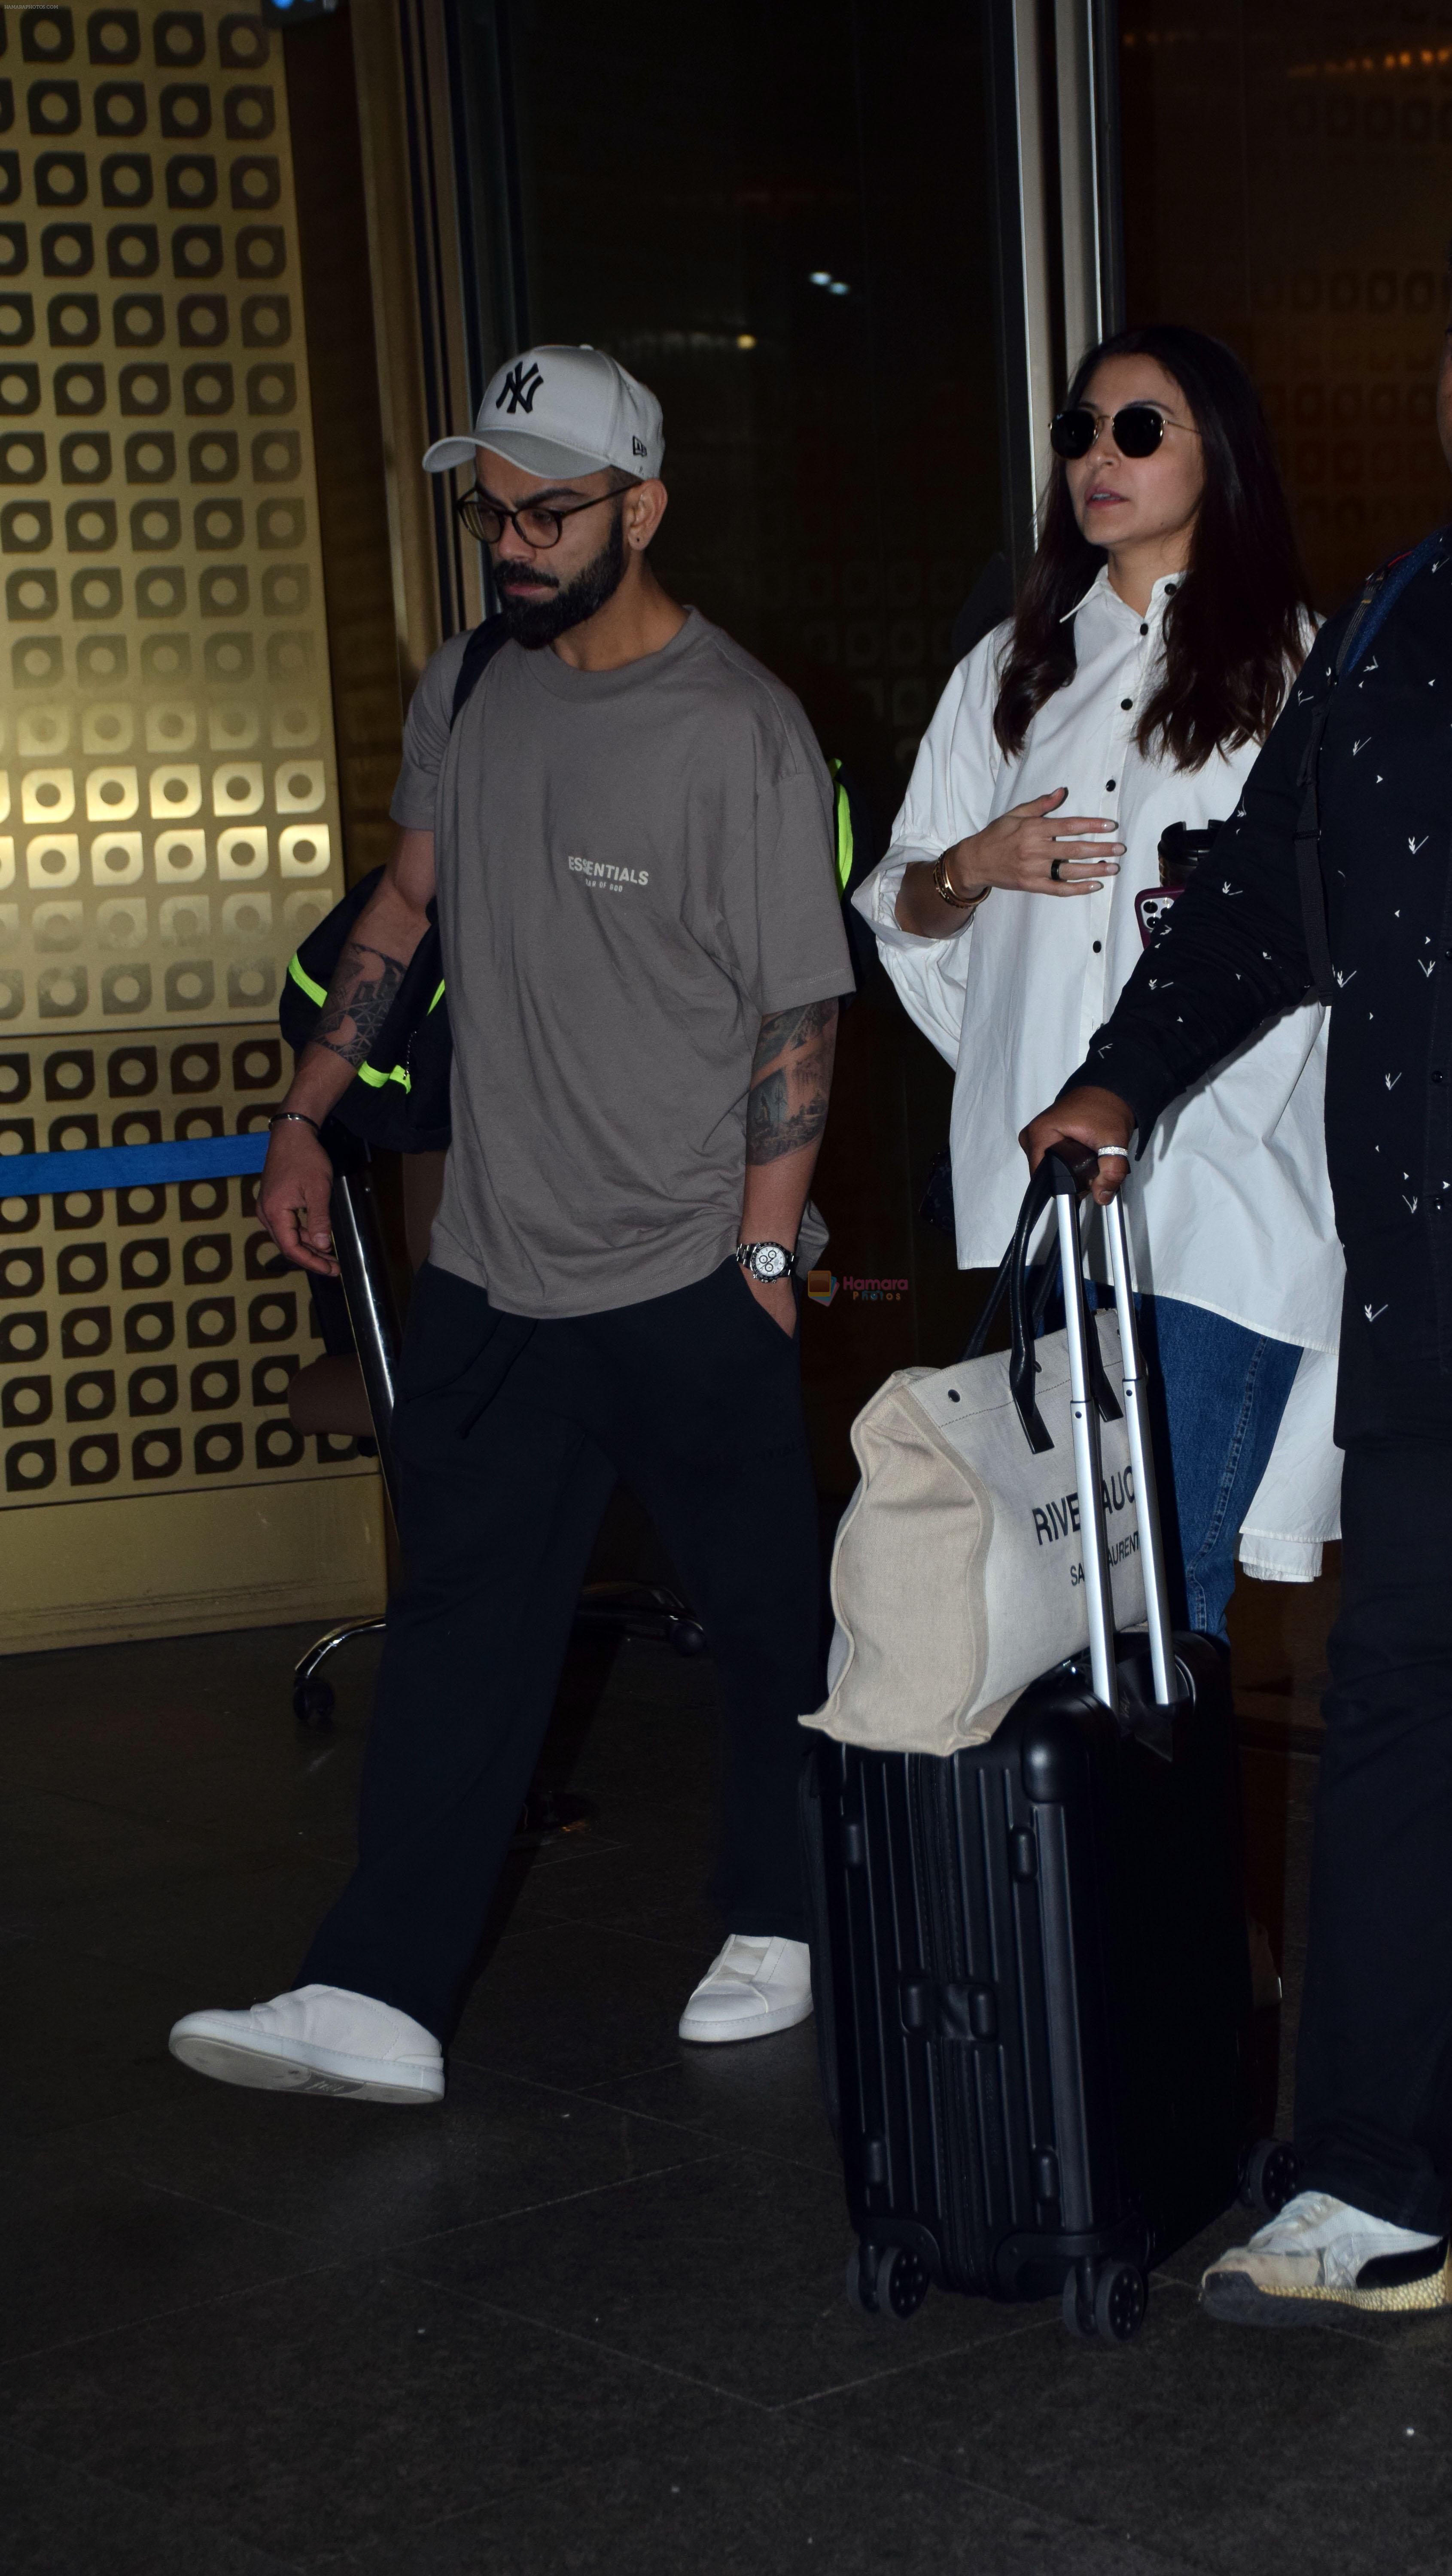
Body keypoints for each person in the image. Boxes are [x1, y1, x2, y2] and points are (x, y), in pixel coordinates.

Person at [1024, 167, 1452, 2322]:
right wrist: (1123, 1075)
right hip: (1444, 1285)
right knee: (1414, 1708)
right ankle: (1367, 2190)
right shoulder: (1405, 619)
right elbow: (1256, 891)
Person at [168, 344, 854, 2102]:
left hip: (690, 1264)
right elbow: (408, 903)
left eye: (551, 511)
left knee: (772, 1619)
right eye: (497, 513)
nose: (517, 544)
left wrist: (765, 1259)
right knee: (468, 1632)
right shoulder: (470, 684)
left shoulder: (739, 730)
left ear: (643, 506)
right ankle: (378, 1996)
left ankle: (785, 1914)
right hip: (497, 1262)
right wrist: (311, 1112)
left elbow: (798, 1014)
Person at [853, 325, 1343, 1638]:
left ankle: (1156, 1839)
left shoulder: (1302, 668)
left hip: (1224, 1193)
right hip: (1054, 1196)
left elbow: (1328, 933)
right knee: (1064, 1597)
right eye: (1080, 431)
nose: (1097, 459)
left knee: (1163, 1595)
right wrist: (969, 866)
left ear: (1218, 453)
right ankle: (1109, 1845)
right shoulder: (1014, 671)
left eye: (1139, 430)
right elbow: (896, 904)